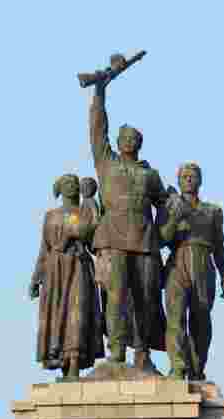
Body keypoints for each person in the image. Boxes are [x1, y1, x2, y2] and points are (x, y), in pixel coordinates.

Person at [88, 75, 169, 371]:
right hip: (112, 238)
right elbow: (98, 130)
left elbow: (166, 204)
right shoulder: (106, 162)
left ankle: (143, 352)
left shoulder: (151, 174)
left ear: (140, 144)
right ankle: (118, 350)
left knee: (146, 299)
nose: (129, 142)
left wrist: (164, 231)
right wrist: (99, 93)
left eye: (134, 139)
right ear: (119, 142)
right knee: (116, 296)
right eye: (125, 138)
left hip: (145, 240)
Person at [158, 163, 224, 380]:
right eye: (184, 176)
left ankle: (197, 367)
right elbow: (161, 238)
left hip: (203, 263)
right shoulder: (170, 206)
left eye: (192, 176)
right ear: (179, 181)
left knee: (201, 319)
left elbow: (219, 246)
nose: (188, 179)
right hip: (177, 262)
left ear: (200, 181)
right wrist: (174, 218)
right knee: (175, 316)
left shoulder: (212, 211)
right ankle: (178, 366)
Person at [29, 173, 105, 378]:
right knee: (57, 314)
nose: (71, 186)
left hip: (78, 265)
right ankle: (61, 359)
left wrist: (91, 208)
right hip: (55, 269)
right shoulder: (51, 215)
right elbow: (44, 249)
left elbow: (94, 238)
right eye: (66, 183)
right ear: (59, 189)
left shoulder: (85, 211)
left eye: (74, 183)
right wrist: (36, 278)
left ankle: (74, 361)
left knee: (77, 310)